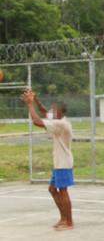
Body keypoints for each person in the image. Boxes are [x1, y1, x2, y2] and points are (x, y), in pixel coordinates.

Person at [20, 88, 74, 231]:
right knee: (52, 189)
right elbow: (44, 112)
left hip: (64, 162)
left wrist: (30, 104)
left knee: (63, 191)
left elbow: (37, 121)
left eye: (54, 109)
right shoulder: (57, 118)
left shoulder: (61, 123)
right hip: (59, 162)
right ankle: (63, 218)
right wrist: (36, 99)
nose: (51, 110)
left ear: (60, 111)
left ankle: (69, 222)